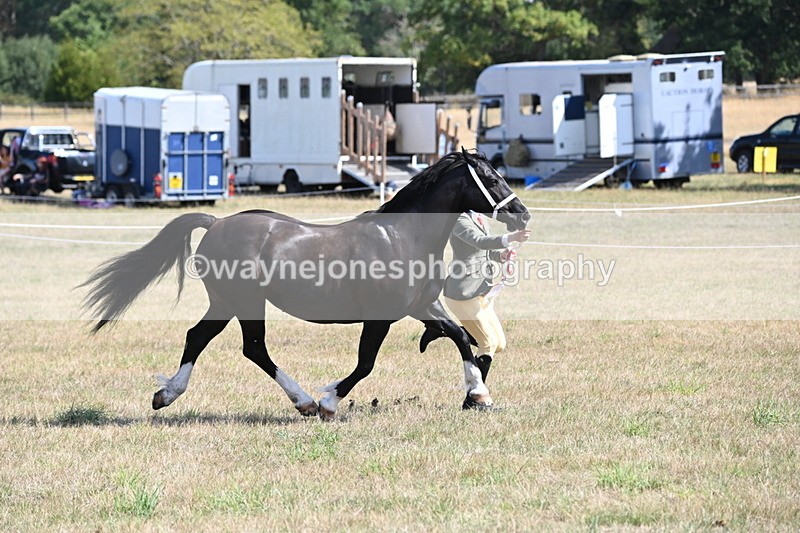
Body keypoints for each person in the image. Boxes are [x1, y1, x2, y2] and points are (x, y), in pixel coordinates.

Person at [420, 211, 530, 409]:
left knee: (499, 344)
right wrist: (509, 238)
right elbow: (478, 240)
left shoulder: (479, 216)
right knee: (487, 343)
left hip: (481, 289)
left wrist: (501, 255)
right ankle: (475, 398)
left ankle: (445, 329)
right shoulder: (459, 218)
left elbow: (483, 251)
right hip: (463, 292)